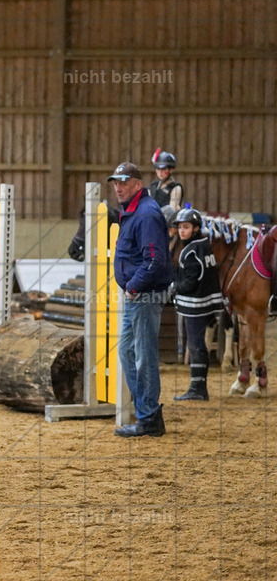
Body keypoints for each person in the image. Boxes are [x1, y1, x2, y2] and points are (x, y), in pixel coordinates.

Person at [109, 162, 175, 437]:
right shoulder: (133, 211)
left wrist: (134, 286)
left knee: (143, 356)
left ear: (138, 184)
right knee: (128, 351)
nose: (118, 187)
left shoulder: (146, 214)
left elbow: (154, 260)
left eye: (124, 182)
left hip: (143, 295)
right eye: (115, 182)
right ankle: (148, 413)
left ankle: (148, 418)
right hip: (138, 295)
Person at [171, 208, 224, 400]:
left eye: (186, 227)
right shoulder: (205, 244)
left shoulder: (190, 251)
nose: (182, 231)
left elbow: (190, 282)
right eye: (180, 227)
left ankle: (197, 388)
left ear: (195, 228)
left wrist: (173, 287)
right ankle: (199, 387)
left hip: (195, 304)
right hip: (209, 301)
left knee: (195, 345)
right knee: (199, 344)